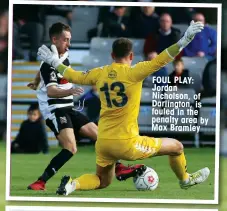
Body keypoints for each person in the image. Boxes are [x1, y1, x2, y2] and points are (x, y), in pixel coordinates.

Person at [37, 20, 210, 195]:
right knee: (177, 147)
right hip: (128, 143)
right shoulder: (135, 72)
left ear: (112, 55)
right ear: (132, 56)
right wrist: (183, 42)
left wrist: (54, 62)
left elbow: (73, 75)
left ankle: (72, 184)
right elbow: (162, 59)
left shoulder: (100, 73)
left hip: (103, 142)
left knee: (102, 180)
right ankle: (185, 180)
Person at [27, 22, 146, 191]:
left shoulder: (62, 57)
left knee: (101, 136)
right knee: (71, 148)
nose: (69, 44)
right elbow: (52, 91)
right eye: (66, 40)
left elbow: (41, 70)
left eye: (70, 40)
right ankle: (41, 181)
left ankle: (119, 168)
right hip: (55, 110)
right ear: (54, 39)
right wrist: (72, 90)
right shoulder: (49, 64)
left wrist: (36, 81)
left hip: (69, 108)